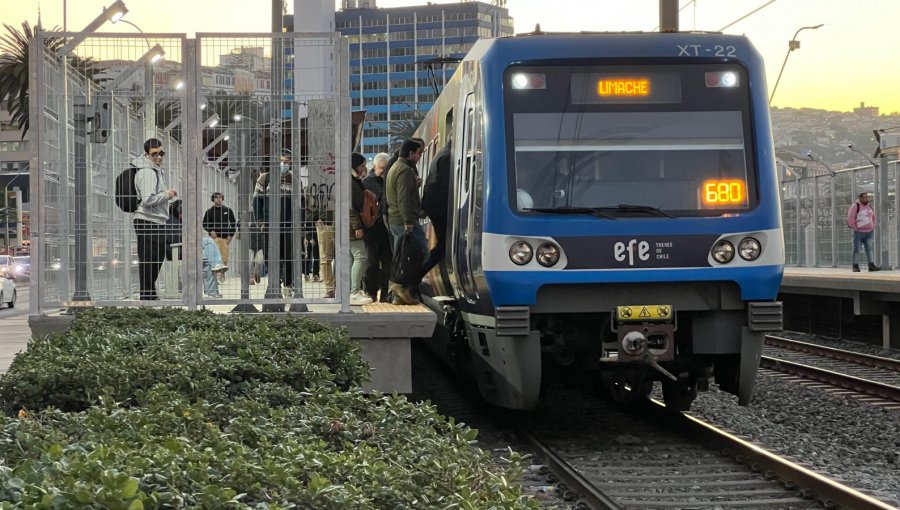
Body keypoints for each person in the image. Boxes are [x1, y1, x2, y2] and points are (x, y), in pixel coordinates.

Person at [133, 138, 177, 300]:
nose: (159, 157)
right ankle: (147, 295)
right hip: (148, 220)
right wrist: (168, 194)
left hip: (153, 220)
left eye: (161, 153)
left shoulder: (153, 170)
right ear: (147, 154)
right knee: (150, 260)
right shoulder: (148, 172)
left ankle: (149, 294)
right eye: (154, 154)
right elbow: (147, 199)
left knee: (153, 258)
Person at [385, 139, 426, 305]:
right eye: (418, 153)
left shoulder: (395, 168)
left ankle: (398, 295)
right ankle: (400, 287)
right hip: (403, 220)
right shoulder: (405, 171)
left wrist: (413, 187)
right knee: (420, 253)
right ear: (410, 154)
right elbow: (403, 198)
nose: (419, 157)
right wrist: (408, 221)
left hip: (395, 219)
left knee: (401, 256)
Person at [254, 151, 298, 297]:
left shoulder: (295, 180)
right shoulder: (265, 178)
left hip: (288, 225)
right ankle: (275, 282)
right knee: (270, 255)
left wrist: (299, 223)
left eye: (287, 162)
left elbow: (301, 203)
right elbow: (256, 201)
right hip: (269, 225)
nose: (284, 164)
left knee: (289, 255)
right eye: (282, 161)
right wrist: (260, 221)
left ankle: (288, 283)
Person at [420, 139, 451, 280]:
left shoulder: (443, 154)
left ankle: (415, 276)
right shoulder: (447, 157)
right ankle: (415, 276)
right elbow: (445, 186)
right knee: (443, 246)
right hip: (439, 208)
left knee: (443, 245)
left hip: (435, 207)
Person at [362, 152, 392, 302]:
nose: (383, 171)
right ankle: (371, 292)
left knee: (387, 263)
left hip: (387, 229)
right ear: (374, 167)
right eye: (381, 168)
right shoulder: (366, 182)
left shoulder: (390, 180)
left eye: (386, 168)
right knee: (371, 262)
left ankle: (385, 294)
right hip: (372, 229)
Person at [349, 153, 374, 305]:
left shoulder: (353, 180)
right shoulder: (350, 181)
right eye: (362, 165)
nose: (364, 169)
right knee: (360, 257)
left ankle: (351, 291)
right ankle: (354, 292)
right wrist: (357, 226)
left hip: (348, 225)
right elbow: (350, 206)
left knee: (351, 258)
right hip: (351, 226)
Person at [202, 192, 237, 284]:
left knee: (224, 258)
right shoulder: (209, 211)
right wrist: (210, 231)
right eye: (216, 197)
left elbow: (233, 224)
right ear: (213, 199)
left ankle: (222, 273)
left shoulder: (228, 210)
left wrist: (230, 235)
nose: (218, 199)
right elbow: (204, 224)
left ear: (223, 198)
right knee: (214, 258)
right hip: (214, 238)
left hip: (225, 238)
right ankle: (214, 277)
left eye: (220, 197)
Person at [848, 192, 881, 272]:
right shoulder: (855, 206)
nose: (867, 199)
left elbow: (873, 217)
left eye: (867, 197)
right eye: (865, 197)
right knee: (857, 250)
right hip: (859, 232)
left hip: (869, 232)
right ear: (860, 198)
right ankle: (855, 266)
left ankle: (871, 265)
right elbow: (851, 218)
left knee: (869, 249)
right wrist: (854, 228)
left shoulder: (869, 206)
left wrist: (873, 225)